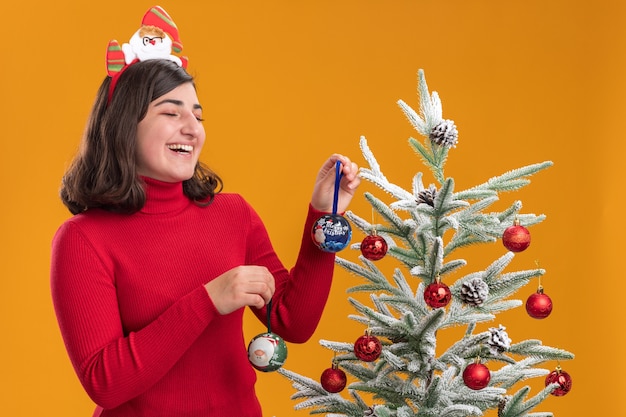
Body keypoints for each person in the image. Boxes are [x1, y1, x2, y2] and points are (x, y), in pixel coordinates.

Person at [50, 6, 360, 417]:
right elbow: (105, 383)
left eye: (197, 115)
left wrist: (324, 217)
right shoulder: (82, 239)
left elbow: (291, 322)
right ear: (125, 125)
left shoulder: (233, 215)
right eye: (171, 112)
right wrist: (209, 299)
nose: (192, 128)